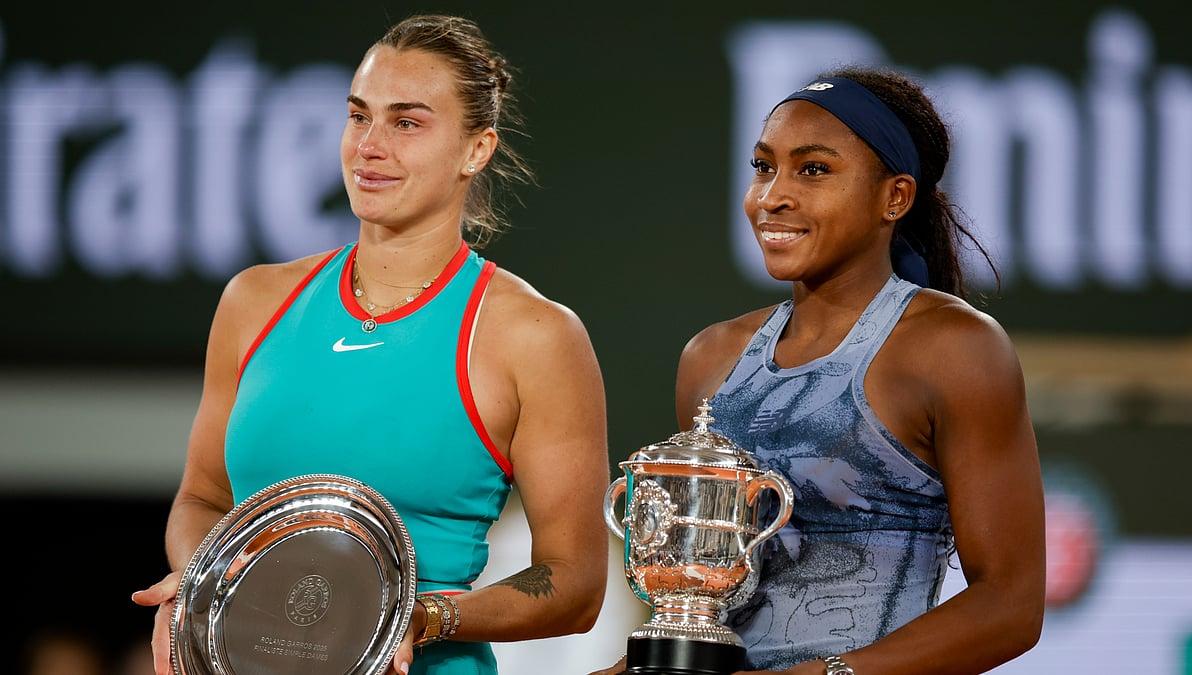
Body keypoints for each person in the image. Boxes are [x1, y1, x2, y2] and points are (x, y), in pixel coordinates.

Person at [132, 14, 610, 675]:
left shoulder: (535, 335)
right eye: (359, 116)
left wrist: (421, 617)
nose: (369, 145)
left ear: (476, 150)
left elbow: (575, 582)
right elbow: (202, 499)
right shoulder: (253, 300)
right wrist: (203, 581)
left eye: (406, 123)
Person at [592, 66, 1045, 675]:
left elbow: (1010, 605)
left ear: (895, 198)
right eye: (763, 166)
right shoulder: (711, 357)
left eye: (813, 170)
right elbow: (706, 609)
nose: (771, 196)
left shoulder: (955, 348)